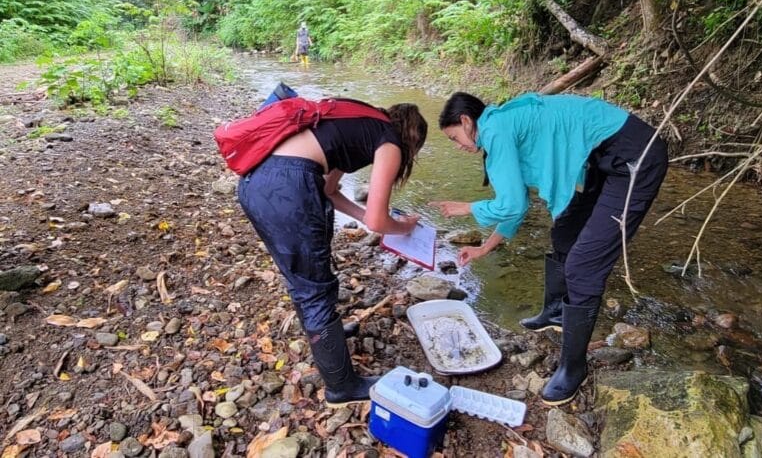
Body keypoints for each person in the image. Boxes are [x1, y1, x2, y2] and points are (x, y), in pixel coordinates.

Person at [430, 91, 668, 406]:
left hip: (636, 156)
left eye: (454, 138)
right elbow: (518, 205)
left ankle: (574, 367)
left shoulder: (495, 129)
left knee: (583, 267)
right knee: (566, 232)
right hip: (601, 157)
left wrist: (467, 208)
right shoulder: (498, 124)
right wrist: (484, 248)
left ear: (466, 121)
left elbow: (510, 203)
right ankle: (556, 312)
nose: (458, 146)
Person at [238, 100, 428, 407]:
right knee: (314, 288)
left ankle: (329, 340)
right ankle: (342, 386)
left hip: (255, 184)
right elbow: (380, 222)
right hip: (288, 187)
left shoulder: (355, 122)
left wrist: (365, 215)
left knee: (303, 276)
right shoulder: (390, 141)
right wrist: (403, 228)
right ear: (412, 139)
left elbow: (329, 191)